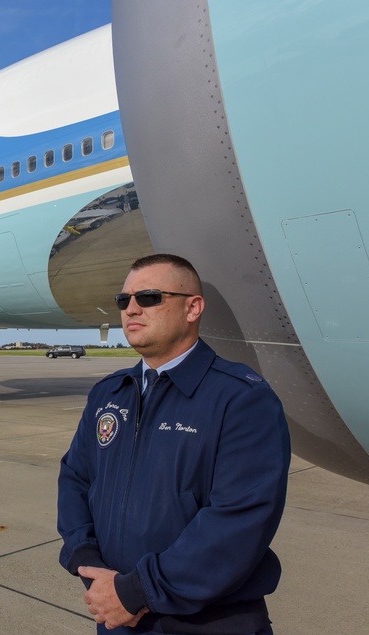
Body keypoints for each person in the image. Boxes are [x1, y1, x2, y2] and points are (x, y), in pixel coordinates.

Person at [57, 254, 291, 634]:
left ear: (193, 308)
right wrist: (87, 563)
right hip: (115, 613)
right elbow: (76, 480)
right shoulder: (109, 393)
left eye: (149, 297)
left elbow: (240, 520)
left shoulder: (241, 399)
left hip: (205, 622)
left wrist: (137, 591)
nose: (131, 308)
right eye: (123, 300)